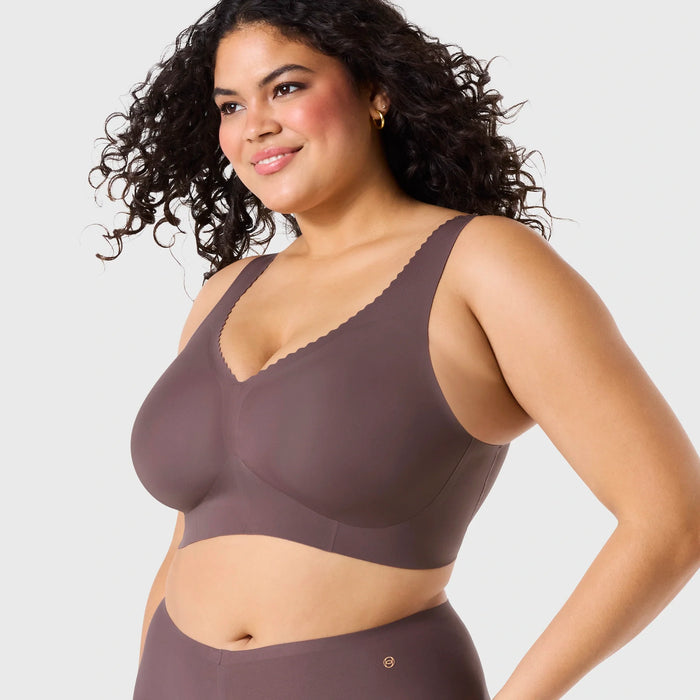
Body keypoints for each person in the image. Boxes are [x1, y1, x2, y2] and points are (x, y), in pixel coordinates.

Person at [89, 1, 700, 698]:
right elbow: (188, 537)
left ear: (375, 91)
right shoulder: (225, 293)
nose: (254, 124)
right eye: (231, 105)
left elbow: (671, 519)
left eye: (286, 87)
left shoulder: (481, 264)